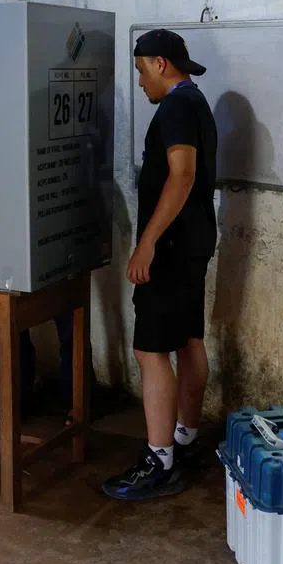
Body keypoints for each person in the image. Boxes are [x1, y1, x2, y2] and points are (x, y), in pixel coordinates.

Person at [101, 29, 218, 501]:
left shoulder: (174, 108)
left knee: (151, 350)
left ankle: (160, 459)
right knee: (189, 339)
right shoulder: (196, 102)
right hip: (191, 243)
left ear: (161, 63)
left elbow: (183, 173)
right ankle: (186, 439)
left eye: (141, 70)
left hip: (168, 249)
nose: (141, 81)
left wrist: (146, 241)